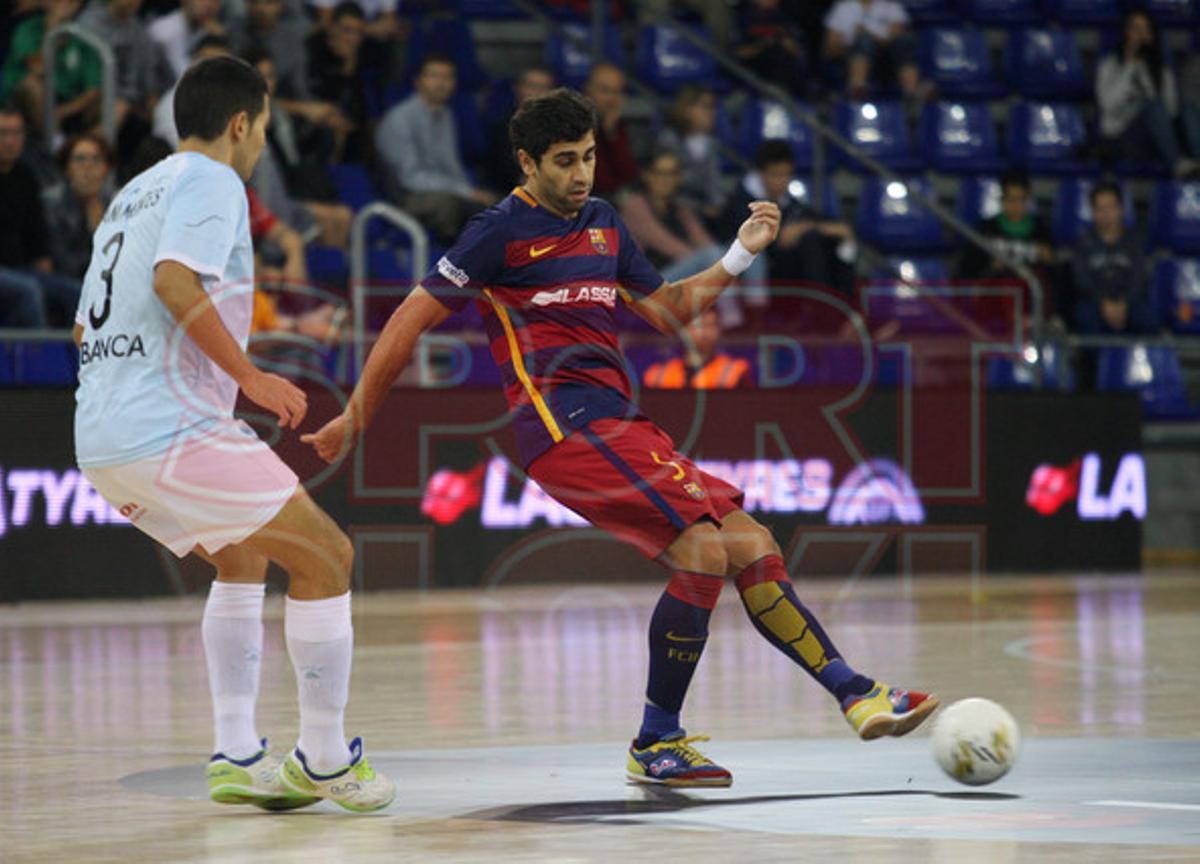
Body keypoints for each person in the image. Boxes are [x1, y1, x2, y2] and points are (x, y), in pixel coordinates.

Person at [304, 88, 938, 787]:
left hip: (619, 421)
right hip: (562, 427)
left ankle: (855, 693)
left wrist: (738, 255)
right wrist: (357, 415)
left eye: (590, 157)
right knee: (704, 549)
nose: (581, 174)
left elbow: (668, 311)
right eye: (565, 161)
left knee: (752, 542)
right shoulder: (497, 233)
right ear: (527, 162)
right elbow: (407, 321)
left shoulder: (605, 223)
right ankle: (657, 740)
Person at [71, 56, 393, 812]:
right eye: (265, 128)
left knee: (243, 556)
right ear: (242, 123)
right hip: (169, 427)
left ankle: (238, 751)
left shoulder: (129, 193)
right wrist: (251, 379)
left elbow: (85, 323)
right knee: (327, 555)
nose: (262, 144)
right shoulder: (213, 180)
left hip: (102, 434)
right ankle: (320, 758)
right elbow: (174, 282)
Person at [720, 140, 857, 313]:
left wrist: (812, 228)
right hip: (760, 267)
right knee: (811, 242)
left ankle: (847, 312)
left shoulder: (790, 203)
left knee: (836, 244)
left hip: (791, 264)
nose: (782, 181)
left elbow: (814, 219)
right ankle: (821, 310)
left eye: (786, 175)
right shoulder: (740, 203)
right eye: (775, 175)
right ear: (761, 174)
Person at [374, 54, 496, 242]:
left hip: (442, 191)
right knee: (464, 209)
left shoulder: (445, 115)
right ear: (418, 81)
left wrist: (470, 190)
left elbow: (452, 165)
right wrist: (466, 192)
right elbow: (410, 177)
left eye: (447, 77)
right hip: (407, 196)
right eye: (434, 76)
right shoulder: (399, 118)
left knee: (499, 205)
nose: (441, 83)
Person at [0, 103, 80, 327]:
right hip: (9, 274)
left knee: (74, 292)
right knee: (29, 291)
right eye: (3, 133)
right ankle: (40, 361)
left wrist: (42, 258)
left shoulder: (26, 176)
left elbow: (37, 230)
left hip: (22, 269)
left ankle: (79, 360)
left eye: (16, 133)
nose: (9, 141)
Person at [1096, 9, 1199, 178]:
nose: (1140, 36)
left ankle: (1188, 161)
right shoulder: (1109, 66)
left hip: (1154, 141)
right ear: (1126, 33)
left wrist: (1145, 74)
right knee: (1153, 107)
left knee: (1173, 108)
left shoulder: (1163, 72)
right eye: (1135, 29)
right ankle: (1178, 164)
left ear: (1152, 36)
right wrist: (1130, 68)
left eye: (1145, 30)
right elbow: (1108, 106)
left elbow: (1171, 112)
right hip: (1120, 141)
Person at [621, 150, 725, 281]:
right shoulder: (635, 206)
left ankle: (755, 300)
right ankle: (732, 301)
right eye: (660, 173)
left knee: (743, 251)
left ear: (679, 177)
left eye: (672, 174)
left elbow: (703, 241)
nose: (666, 180)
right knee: (712, 257)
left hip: (678, 277)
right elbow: (668, 246)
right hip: (646, 284)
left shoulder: (681, 207)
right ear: (647, 175)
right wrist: (707, 261)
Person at [0, 0, 100, 136]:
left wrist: (64, 110)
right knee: (34, 86)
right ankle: (57, 145)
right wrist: (51, 30)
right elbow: (39, 68)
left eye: (71, 2)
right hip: (21, 99)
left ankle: (93, 150)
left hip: (65, 102)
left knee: (112, 103)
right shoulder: (28, 28)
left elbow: (93, 89)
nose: (63, 6)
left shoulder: (82, 37)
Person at [1070, 181, 1157, 335]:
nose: (1106, 214)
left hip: (1129, 302)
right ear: (1093, 212)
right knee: (1084, 315)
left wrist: (1123, 303)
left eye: (1110, 207)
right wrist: (1104, 303)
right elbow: (1082, 280)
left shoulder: (1134, 242)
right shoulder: (1083, 244)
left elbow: (1139, 278)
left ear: (1121, 209)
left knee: (1147, 316)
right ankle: (1092, 359)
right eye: (1100, 208)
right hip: (1095, 303)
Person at [957, 170, 1053, 292]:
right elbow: (968, 268)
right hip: (995, 296)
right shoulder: (986, 228)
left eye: (1021, 199)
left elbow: (1050, 270)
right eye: (1010, 199)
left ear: (1028, 199)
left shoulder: (1041, 230)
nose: (1015, 205)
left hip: (1031, 299)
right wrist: (990, 266)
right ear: (1002, 200)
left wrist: (1049, 261)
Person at [304, 0, 370, 164]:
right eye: (347, 30)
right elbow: (308, 94)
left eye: (358, 32)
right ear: (332, 28)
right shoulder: (311, 52)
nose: (352, 38)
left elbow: (357, 110)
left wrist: (349, 68)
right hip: (308, 123)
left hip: (345, 132)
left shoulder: (361, 61)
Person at [42, 132, 113, 280]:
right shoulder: (52, 203)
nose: (88, 167)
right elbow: (63, 262)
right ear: (67, 169)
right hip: (64, 280)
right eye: (80, 160)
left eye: (96, 159)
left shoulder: (115, 204)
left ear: (106, 169)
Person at [823, 0, 922, 103]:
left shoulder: (890, 6)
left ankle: (912, 98)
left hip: (888, 60)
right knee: (864, 43)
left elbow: (897, 34)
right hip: (850, 58)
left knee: (904, 42)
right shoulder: (843, 7)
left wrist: (868, 35)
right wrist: (853, 42)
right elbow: (830, 48)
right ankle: (857, 90)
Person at [481, 66, 555, 193]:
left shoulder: (561, 127)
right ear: (518, 89)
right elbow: (504, 169)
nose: (538, 93)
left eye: (544, 88)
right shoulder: (502, 127)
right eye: (532, 86)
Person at [659, 85, 725, 222]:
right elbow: (668, 185)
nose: (712, 113)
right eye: (705, 107)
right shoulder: (669, 140)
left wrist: (716, 206)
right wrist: (701, 207)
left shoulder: (711, 143)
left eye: (713, 108)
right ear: (687, 109)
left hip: (705, 216)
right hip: (673, 213)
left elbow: (714, 183)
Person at [643, 306, 752, 389]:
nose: (703, 333)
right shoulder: (657, 376)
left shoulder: (736, 371)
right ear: (682, 330)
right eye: (696, 326)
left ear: (719, 330)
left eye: (710, 325)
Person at [583, 62, 639, 198]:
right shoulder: (573, 125)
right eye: (605, 91)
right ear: (588, 90)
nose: (611, 99)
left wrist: (612, 133)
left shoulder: (622, 128)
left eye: (617, 92)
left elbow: (629, 176)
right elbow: (597, 181)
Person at [149, 0, 224, 83]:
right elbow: (181, 77)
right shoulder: (164, 31)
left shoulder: (210, 31)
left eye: (214, 1)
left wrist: (219, 40)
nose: (208, 4)